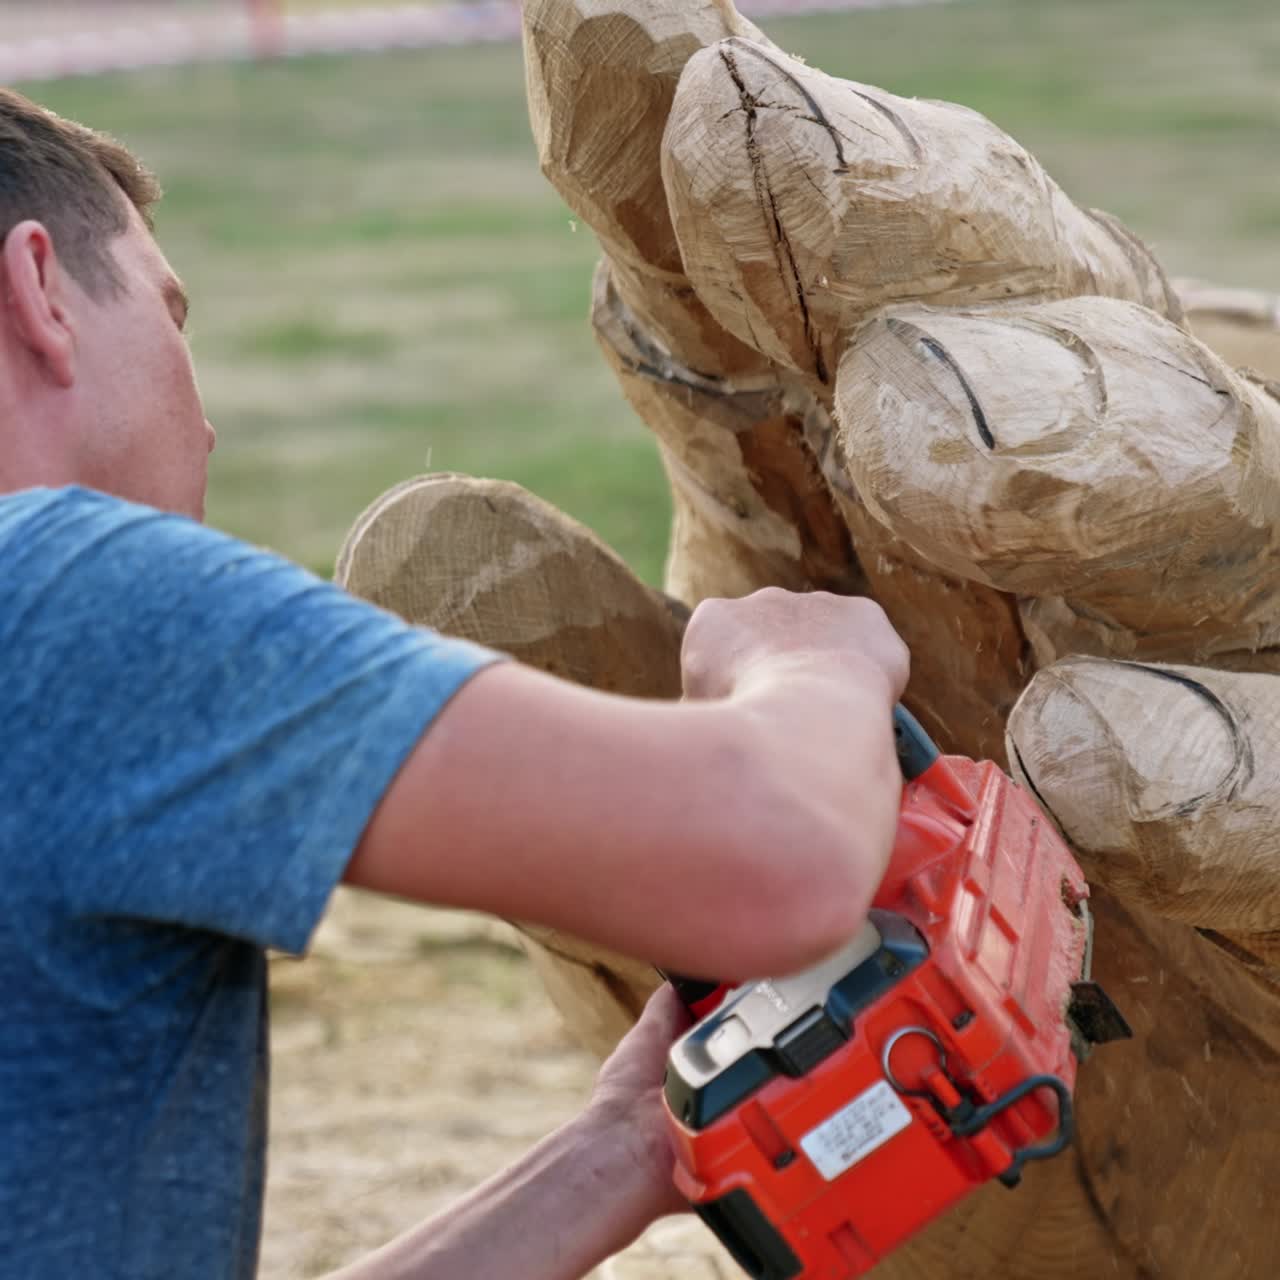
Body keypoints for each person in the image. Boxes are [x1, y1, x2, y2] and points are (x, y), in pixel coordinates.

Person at [0, 88, 909, 1279]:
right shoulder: (61, 592)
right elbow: (776, 857)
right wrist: (810, 657)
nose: (207, 424)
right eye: (172, 317)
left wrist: (617, 1152)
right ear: (40, 293)